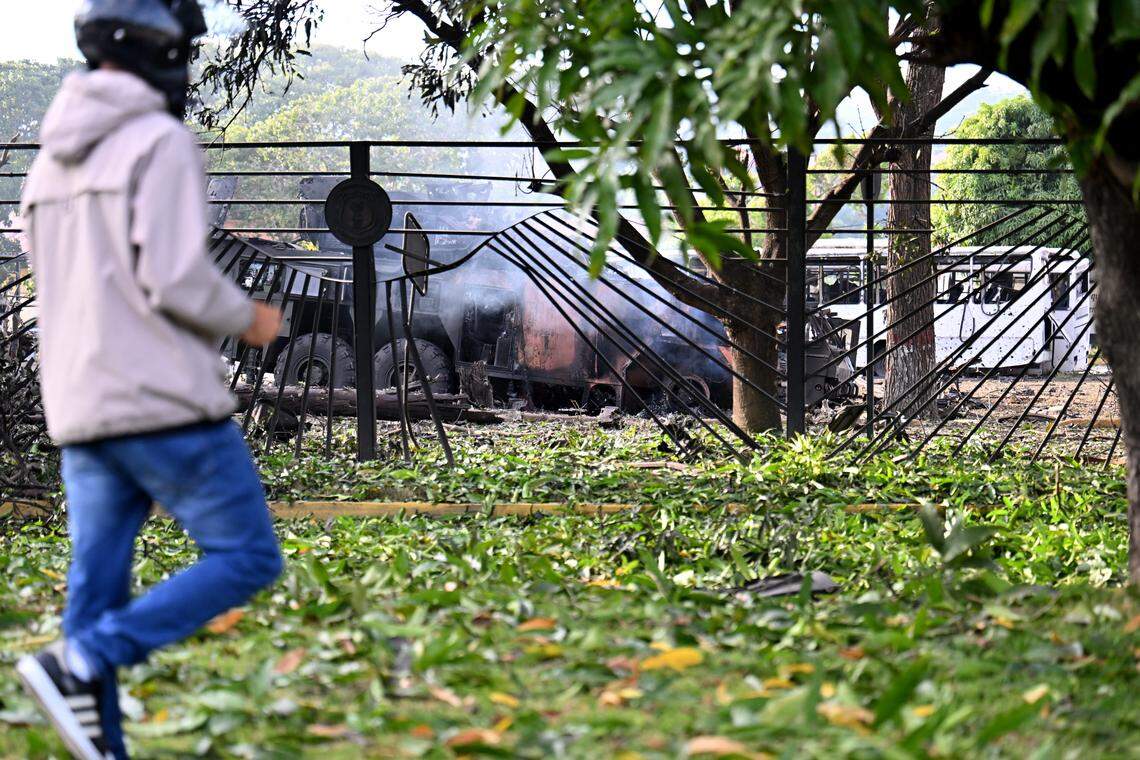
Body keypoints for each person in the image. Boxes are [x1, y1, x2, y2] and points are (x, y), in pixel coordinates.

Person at [14, 2, 285, 758]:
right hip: (163, 403)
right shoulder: (158, 141)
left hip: (80, 405)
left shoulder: (48, 162)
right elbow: (174, 278)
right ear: (164, 50)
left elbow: (56, 282)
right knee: (247, 556)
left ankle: (98, 734)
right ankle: (81, 660)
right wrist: (249, 318)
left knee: (94, 591)